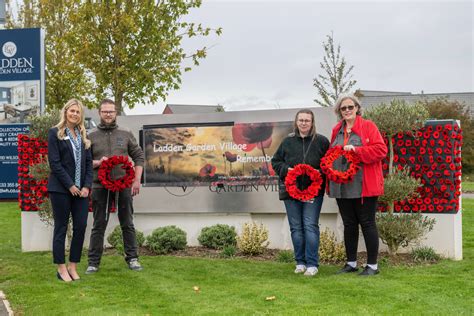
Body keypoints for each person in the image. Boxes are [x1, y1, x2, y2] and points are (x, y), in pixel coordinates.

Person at [328, 93, 387, 276]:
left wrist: (357, 151)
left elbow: (381, 150)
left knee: (367, 223)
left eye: (350, 107)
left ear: (357, 108)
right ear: (339, 111)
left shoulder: (368, 126)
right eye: (343, 108)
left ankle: (372, 266)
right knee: (349, 224)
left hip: (364, 186)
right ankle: (351, 263)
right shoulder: (337, 129)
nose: (347, 110)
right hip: (342, 186)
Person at [86, 99, 144, 273]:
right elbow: (85, 163)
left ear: (116, 112)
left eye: (111, 111)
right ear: (99, 113)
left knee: (127, 222)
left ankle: (132, 258)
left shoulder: (126, 133)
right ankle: (93, 262)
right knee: (98, 224)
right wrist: (98, 163)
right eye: (105, 111)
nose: (108, 114)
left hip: (124, 185)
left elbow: (139, 157)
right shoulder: (91, 136)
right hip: (99, 186)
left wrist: (136, 180)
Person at [271, 109, 329, 276]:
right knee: (296, 228)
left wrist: (320, 172)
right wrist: (287, 170)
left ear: (312, 123)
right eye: (301, 120)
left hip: (313, 192)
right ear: (296, 122)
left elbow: (329, 164)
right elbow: (275, 162)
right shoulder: (287, 142)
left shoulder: (322, 142)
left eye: (307, 120)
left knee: (310, 226)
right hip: (291, 192)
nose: (304, 123)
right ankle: (300, 262)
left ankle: (312, 264)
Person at [48, 98, 93, 282]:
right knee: (61, 227)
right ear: (65, 111)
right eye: (71, 111)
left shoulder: (83, 135)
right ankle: (61, 268)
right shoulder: (55, 133)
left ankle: (72, 266)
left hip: (81, 192)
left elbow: (89, 164)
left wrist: (86, 186)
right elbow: (55, 164)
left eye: (77, 112)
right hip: (61, 189)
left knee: (81, 226)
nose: (74, 114)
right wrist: (70, 185)